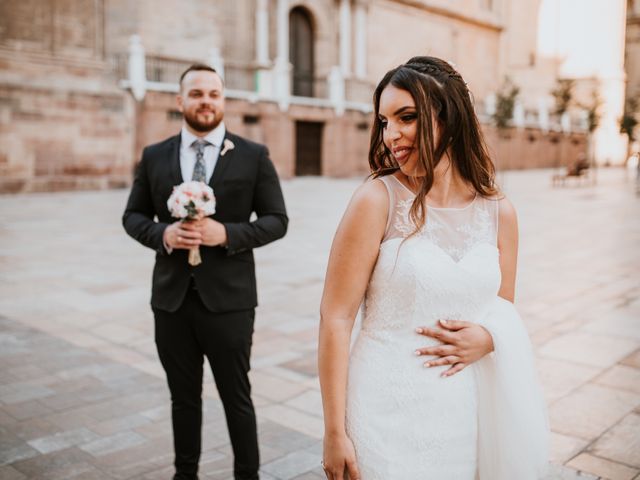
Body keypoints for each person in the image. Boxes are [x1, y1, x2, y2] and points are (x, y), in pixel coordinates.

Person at [318, 56, 548, 480]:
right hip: (381, 408)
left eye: (406, 117)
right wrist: (335, 431)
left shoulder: (500, 213)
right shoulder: (377, 199)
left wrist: (488, 337)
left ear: (450, 117)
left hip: (462, 409)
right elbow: (336, 316)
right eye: (384, 121)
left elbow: (503, 308)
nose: (392, 135)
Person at [123, 64, 288, 480]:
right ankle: (185, 474)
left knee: (237, 397)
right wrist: (164, 234)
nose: (206, 101)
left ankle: (247, 475)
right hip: (171, 301)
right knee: (183, 398)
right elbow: (133, 216)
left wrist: (225, 234)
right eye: (196, 94)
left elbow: (276, 220)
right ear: (180, 102)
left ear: (223, 100)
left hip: (230, 302)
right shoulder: (154, 155)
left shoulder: (253, 155)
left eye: (214, 94)